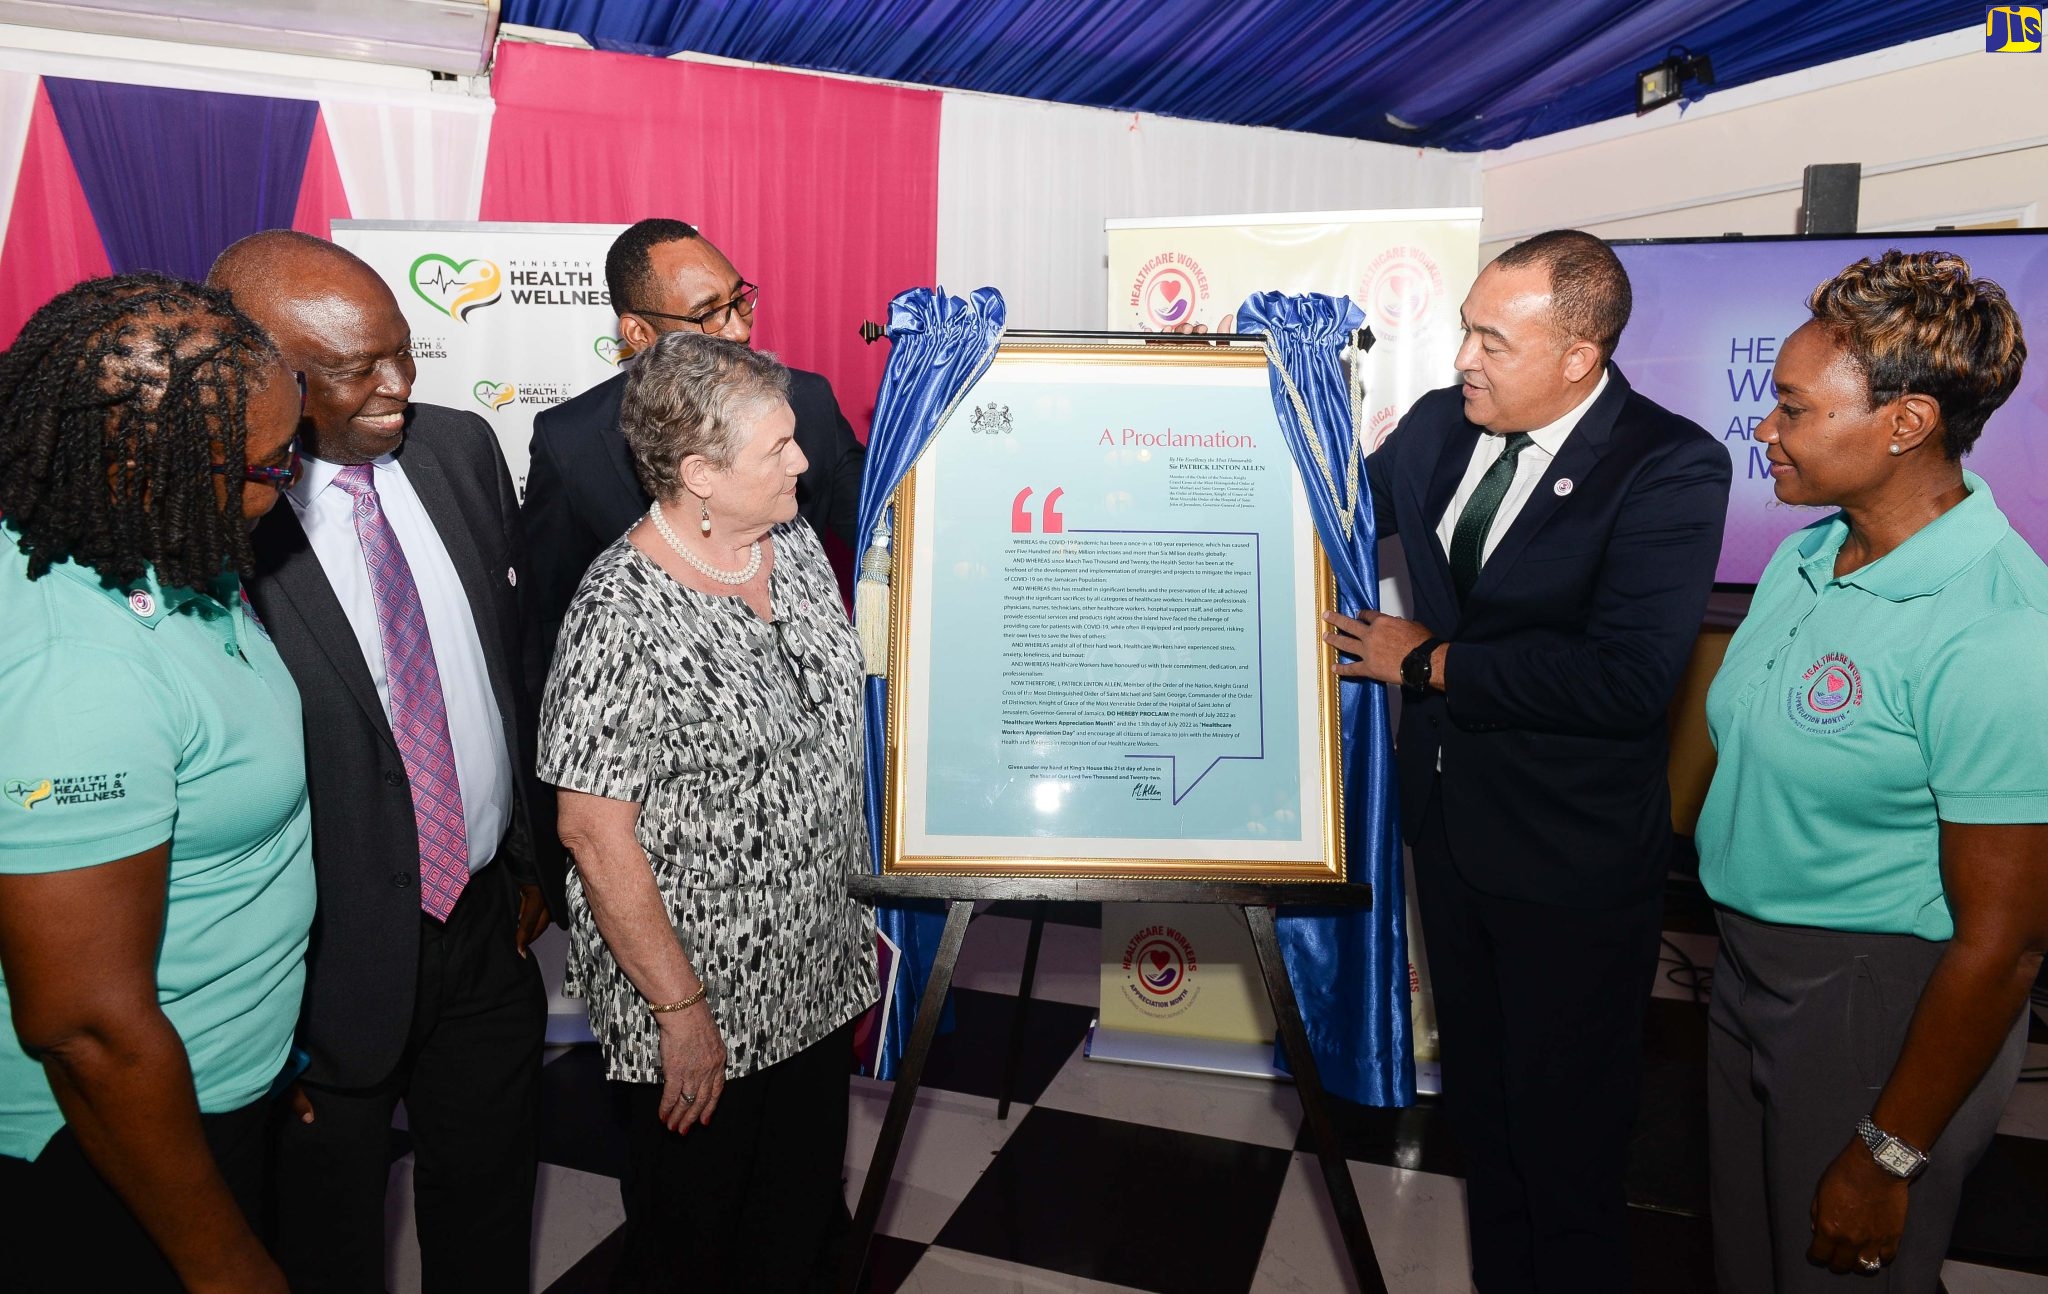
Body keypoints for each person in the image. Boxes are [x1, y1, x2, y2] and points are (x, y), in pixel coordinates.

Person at [1324, 229, 1732, 1291]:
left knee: (1569, 1140)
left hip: (1570, 862)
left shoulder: (1668, 464)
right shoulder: (1432, 430)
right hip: (1451, 837)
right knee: (1487, 1123)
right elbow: (1321, 518)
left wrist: (1433, 664)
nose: (1461, 357)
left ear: (1576, 357)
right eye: (1463, 327)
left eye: (1490, 340)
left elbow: (1625, 681)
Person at [209, 230, 559, 1294]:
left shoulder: (458, 448)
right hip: (324, 960)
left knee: (489, 1199)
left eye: (402, 353)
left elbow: (504, 661)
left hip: (488, 927)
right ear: (259, 372)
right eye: (359, 367)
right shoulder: (223, 510)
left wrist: (530, 862)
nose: (398, 386)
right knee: (326, 1236)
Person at [1696, 250, 2046, 1291]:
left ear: (1904, 426)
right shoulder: (1811, 555)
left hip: (1877, 997)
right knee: (1751, 1266)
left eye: (1792, 409)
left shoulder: (1995, 627)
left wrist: (1887, 1151)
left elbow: (2007, 941)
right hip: (1746, 968)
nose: (1764, 429)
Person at [540, 332, 877, 1293]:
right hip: (700, 997)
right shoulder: (620, 612)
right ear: (699, 474)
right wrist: (681, 1014)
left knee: (802, 1217)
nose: (805, 463)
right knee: (697, 1240)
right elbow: (593, 833)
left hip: (813, 966)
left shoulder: (795, 544)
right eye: (779, 449)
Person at [0, 274, 313, 1292]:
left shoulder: (159, 541)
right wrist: (222, 1261)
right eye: (275, 461)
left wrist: (266, 1047)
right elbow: (83, 1024)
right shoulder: (76, 676)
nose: (294, 478)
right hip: (106, 1156)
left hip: (213, 1085)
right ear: (149, 461)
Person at [521, 217, 867, 688]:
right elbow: (547, 617)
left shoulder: (807, 403)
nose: (738, 330)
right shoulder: (572, 442)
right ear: (639, 333)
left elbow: (886, 533)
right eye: (708, 314)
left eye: (739, 300)